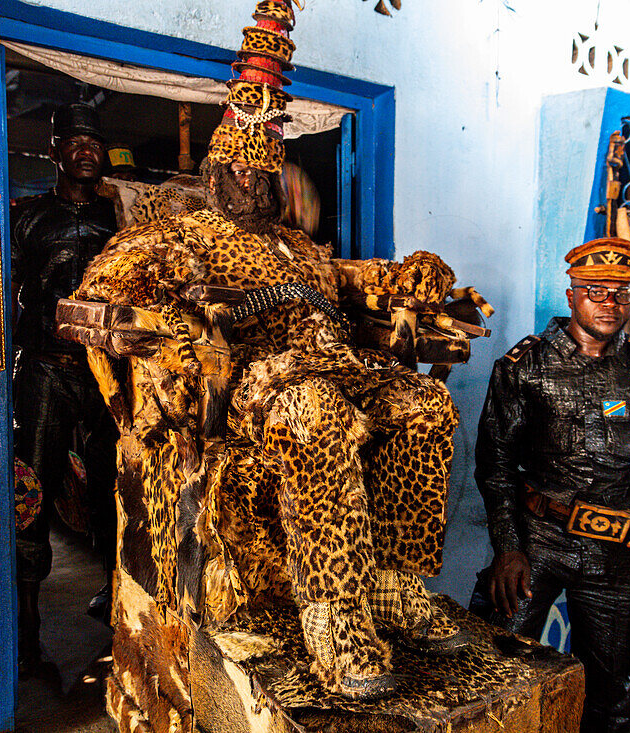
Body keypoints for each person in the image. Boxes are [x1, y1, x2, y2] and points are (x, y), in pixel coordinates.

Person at [66, 0, 473, 706]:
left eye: (264, 172)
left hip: (338, 366)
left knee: (427, 404)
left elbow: (363, 277)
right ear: (216, 169)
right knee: (315, 414)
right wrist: (132, 318)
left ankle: (394, 582)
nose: (252, 184)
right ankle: (335, 613)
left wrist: (414, 271)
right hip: (250, 387)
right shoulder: (182, 234)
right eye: (239, 171)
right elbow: (100, 290)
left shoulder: (302, 248)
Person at [474, 237, 630, 732]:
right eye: (595, 291)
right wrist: (507, 548)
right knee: (493, 678)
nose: (609, 304)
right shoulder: (525, 366)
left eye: (620, 294)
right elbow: (495, 462)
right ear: (571, 296)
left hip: (616, 553)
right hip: (536, 544)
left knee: (609, 697)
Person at [9, 102, 119, 672]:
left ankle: (119, 601)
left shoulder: (118, 221)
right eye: (72, 141)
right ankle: (26, 630)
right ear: (55, 151)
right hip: (46, 370)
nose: (84, 150)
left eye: (93, 142)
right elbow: (6, 295)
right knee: (31, 488)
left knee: (112, 487)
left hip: (106, 375)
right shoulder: (27, 217)